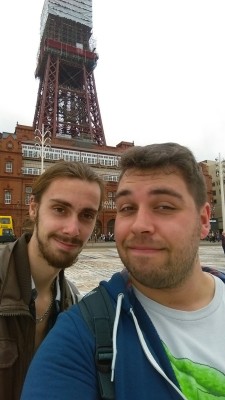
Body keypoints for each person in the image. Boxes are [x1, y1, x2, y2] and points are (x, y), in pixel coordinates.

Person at [21, 143, 225, 400]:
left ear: (205, 220)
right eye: (127, 207)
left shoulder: (68, 296)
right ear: (33, 207)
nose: (140, 225)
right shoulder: (81, 334)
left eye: (164, 206)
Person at [0, 160, 104, 400]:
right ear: (34, 208)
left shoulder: (75, 305)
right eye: (60, 209)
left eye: (86, 215)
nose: (72, 229)